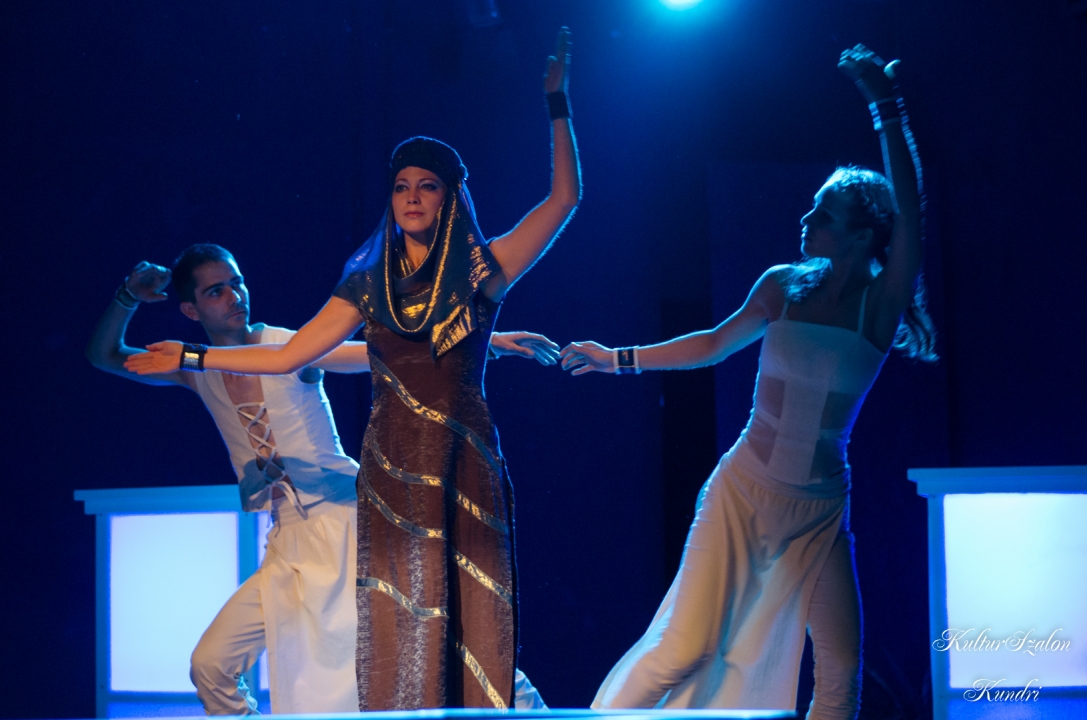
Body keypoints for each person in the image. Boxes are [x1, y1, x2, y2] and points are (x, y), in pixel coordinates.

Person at [124, 27, 580, 710]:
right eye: (401, 187)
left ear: (450, 198)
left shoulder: (481, 271)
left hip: (460, 460)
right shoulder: (368, 284)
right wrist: (193, 355)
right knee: (402, 627)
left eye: (427, 186)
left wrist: (556, 103)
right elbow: (289, 355)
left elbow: (563, 201)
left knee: (469, 613)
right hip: (389, 470)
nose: (412, 196)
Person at [559, 45, 935, 720]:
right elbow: (711, 344)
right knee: (683, 651)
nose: (806, 221)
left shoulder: (878, 308)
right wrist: (617, 358)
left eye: (823, 215)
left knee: (841, 671)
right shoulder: (783, 286)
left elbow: (909, 213)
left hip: (818, 510)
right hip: (742, 491)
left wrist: (887, 107)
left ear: (860, 237)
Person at [87, 245, 559, 714]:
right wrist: (128, 296)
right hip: (290, 546)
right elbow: (104, 356)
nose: (234, 296)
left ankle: (537, 715)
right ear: (191, 310)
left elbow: (381, 353)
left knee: (438, 636)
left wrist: (487, 340)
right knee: (210, 664)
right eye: (216, 291)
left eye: (237, 283)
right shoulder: (195, 370)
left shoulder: (287, 347)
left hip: (352, 525)